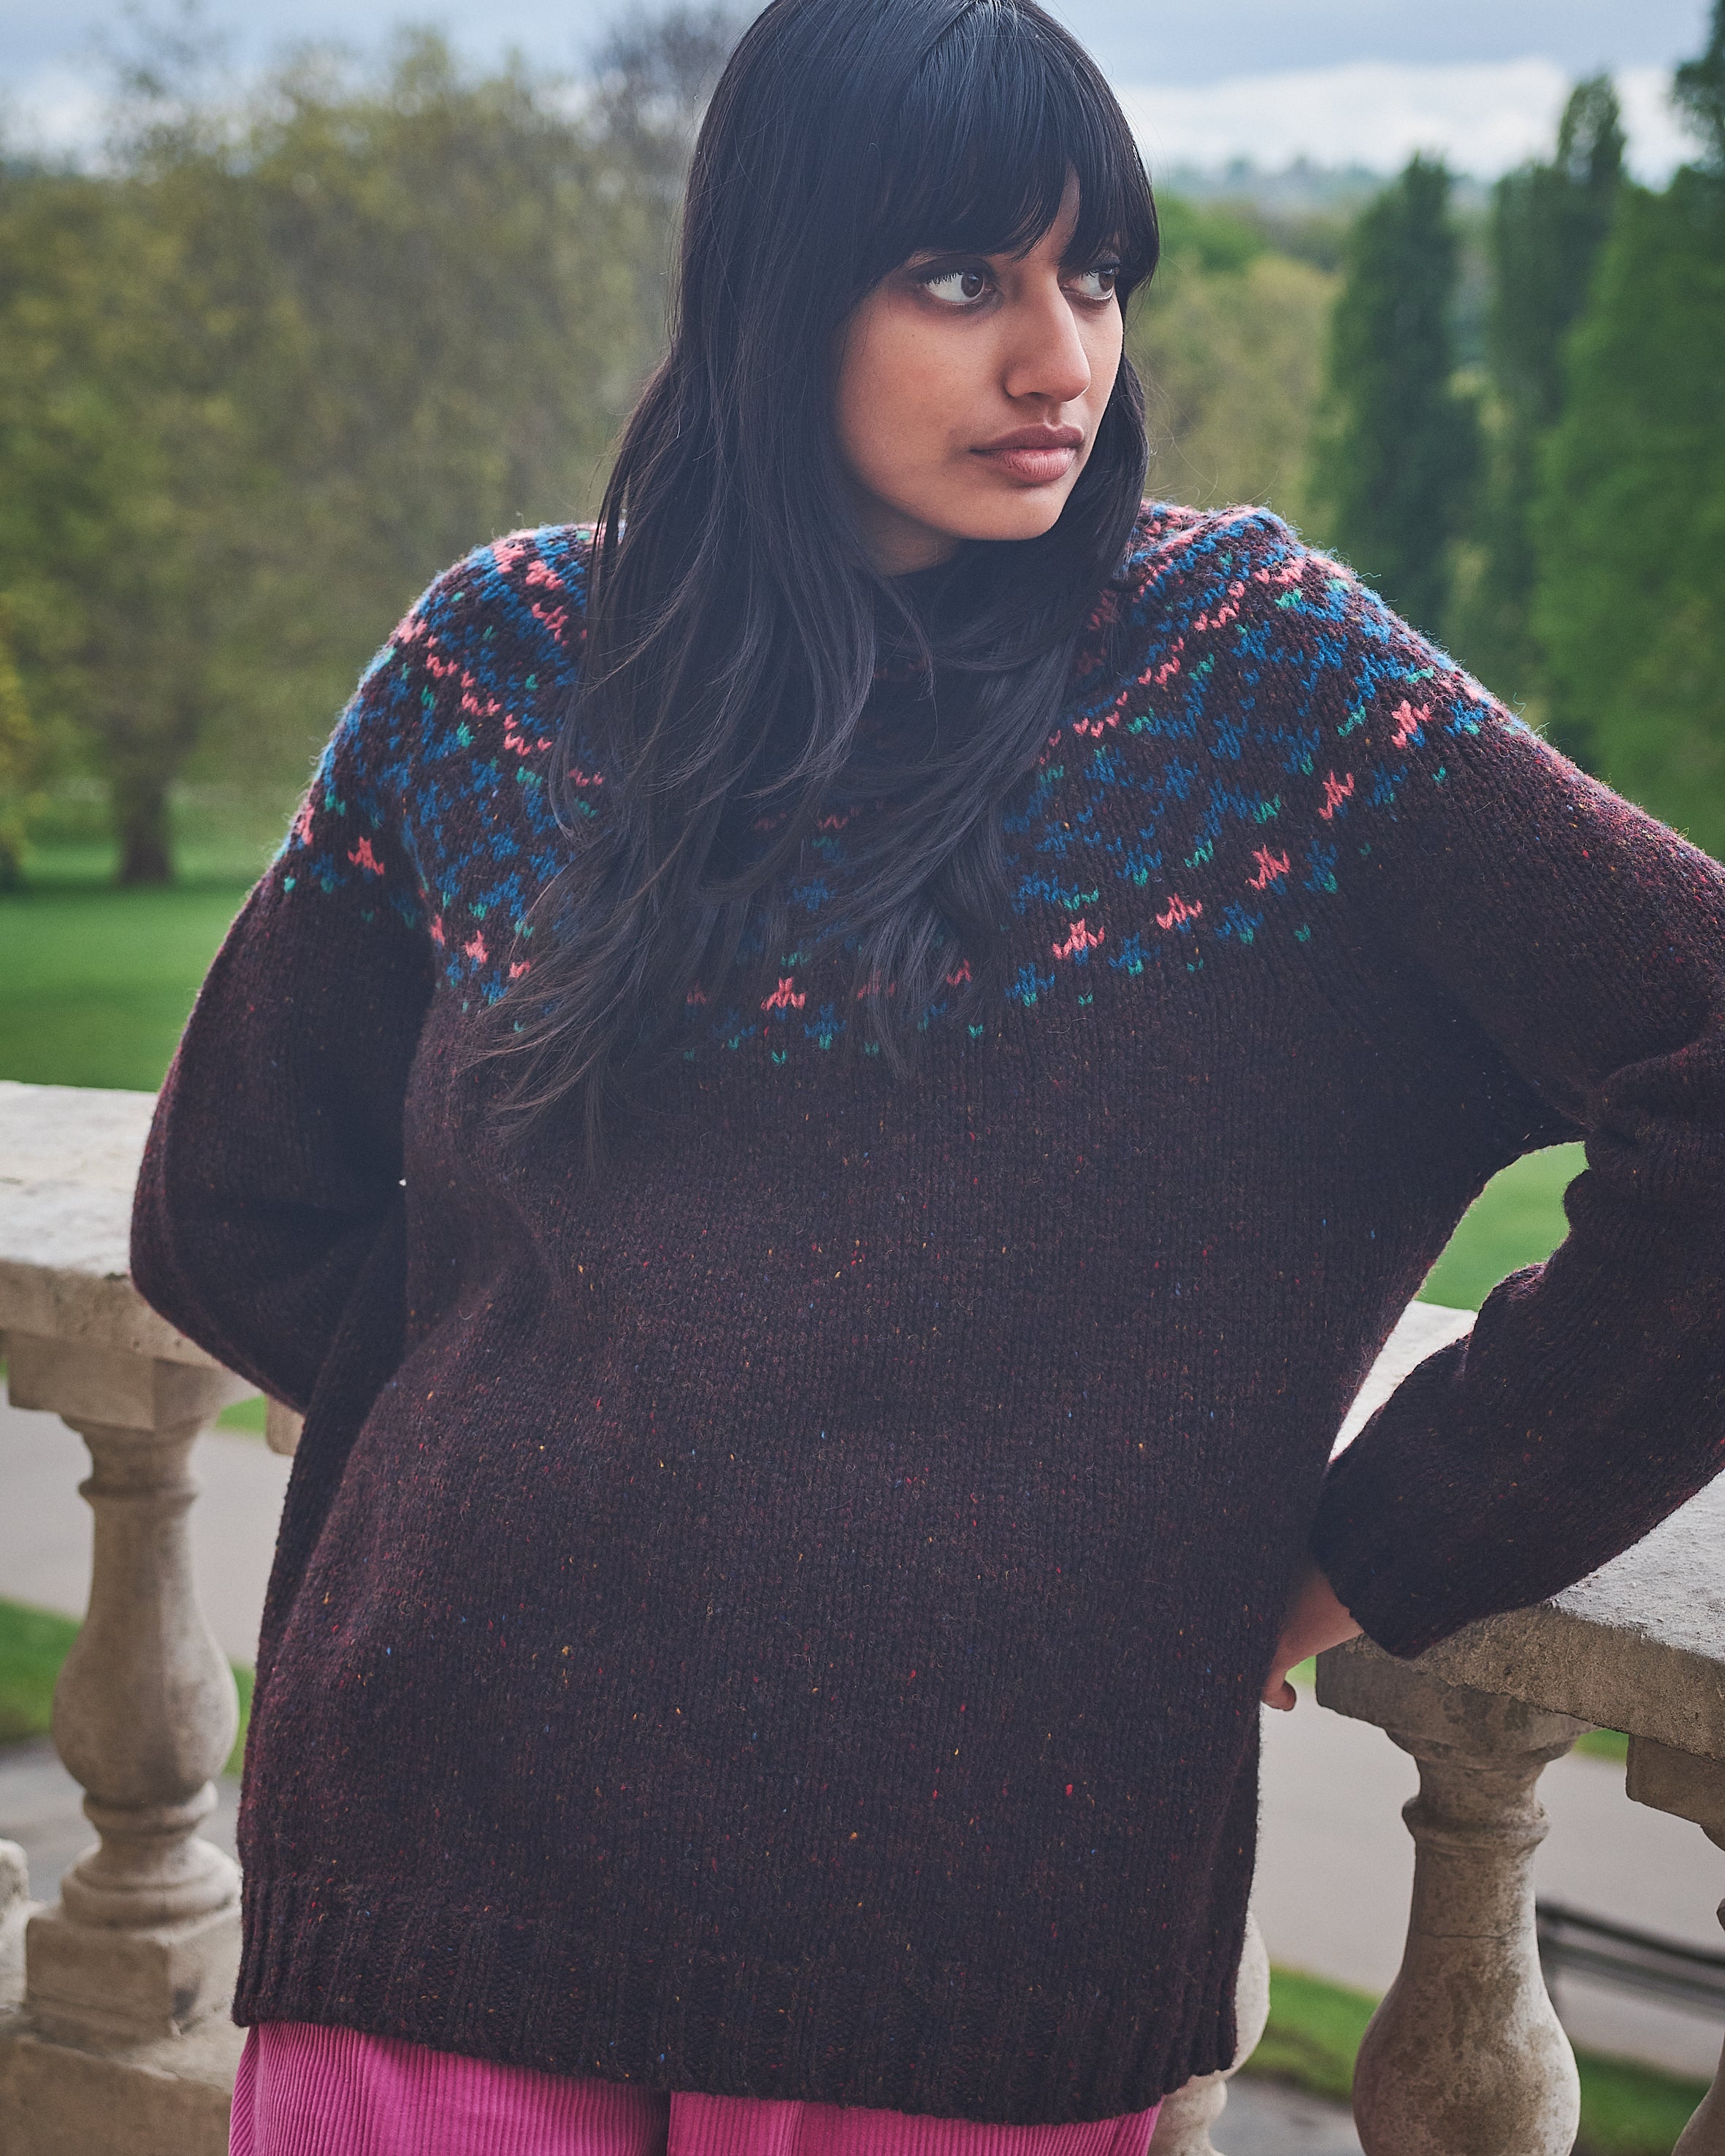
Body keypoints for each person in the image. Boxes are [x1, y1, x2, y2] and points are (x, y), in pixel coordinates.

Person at [130, 0, 1725, 2149]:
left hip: (974, 1912)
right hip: (441, 1849)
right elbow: (229, 1203)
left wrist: (1364, 1547)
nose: (1062, 360)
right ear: (772, 287)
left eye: (1098, 276)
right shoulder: (500, 671)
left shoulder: (1253, 685)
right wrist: (543, 1446)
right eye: (962, 277)